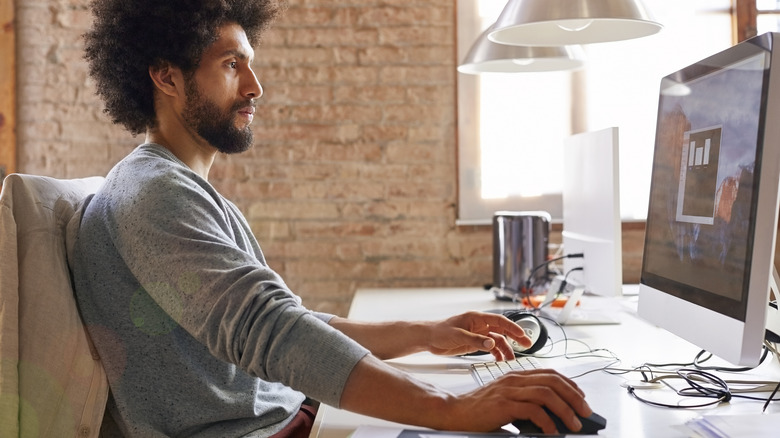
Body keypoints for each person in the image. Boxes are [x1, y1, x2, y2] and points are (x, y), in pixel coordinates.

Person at [72, 1, 594, 436]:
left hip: (292, 416)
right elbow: (270, 331)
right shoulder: (152, 194)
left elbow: (285, 323)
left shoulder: (175, 187)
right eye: (232, 65)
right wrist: (451, 409)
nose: (255, 87)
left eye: (249, 63)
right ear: (166, 76)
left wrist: (426, 333)